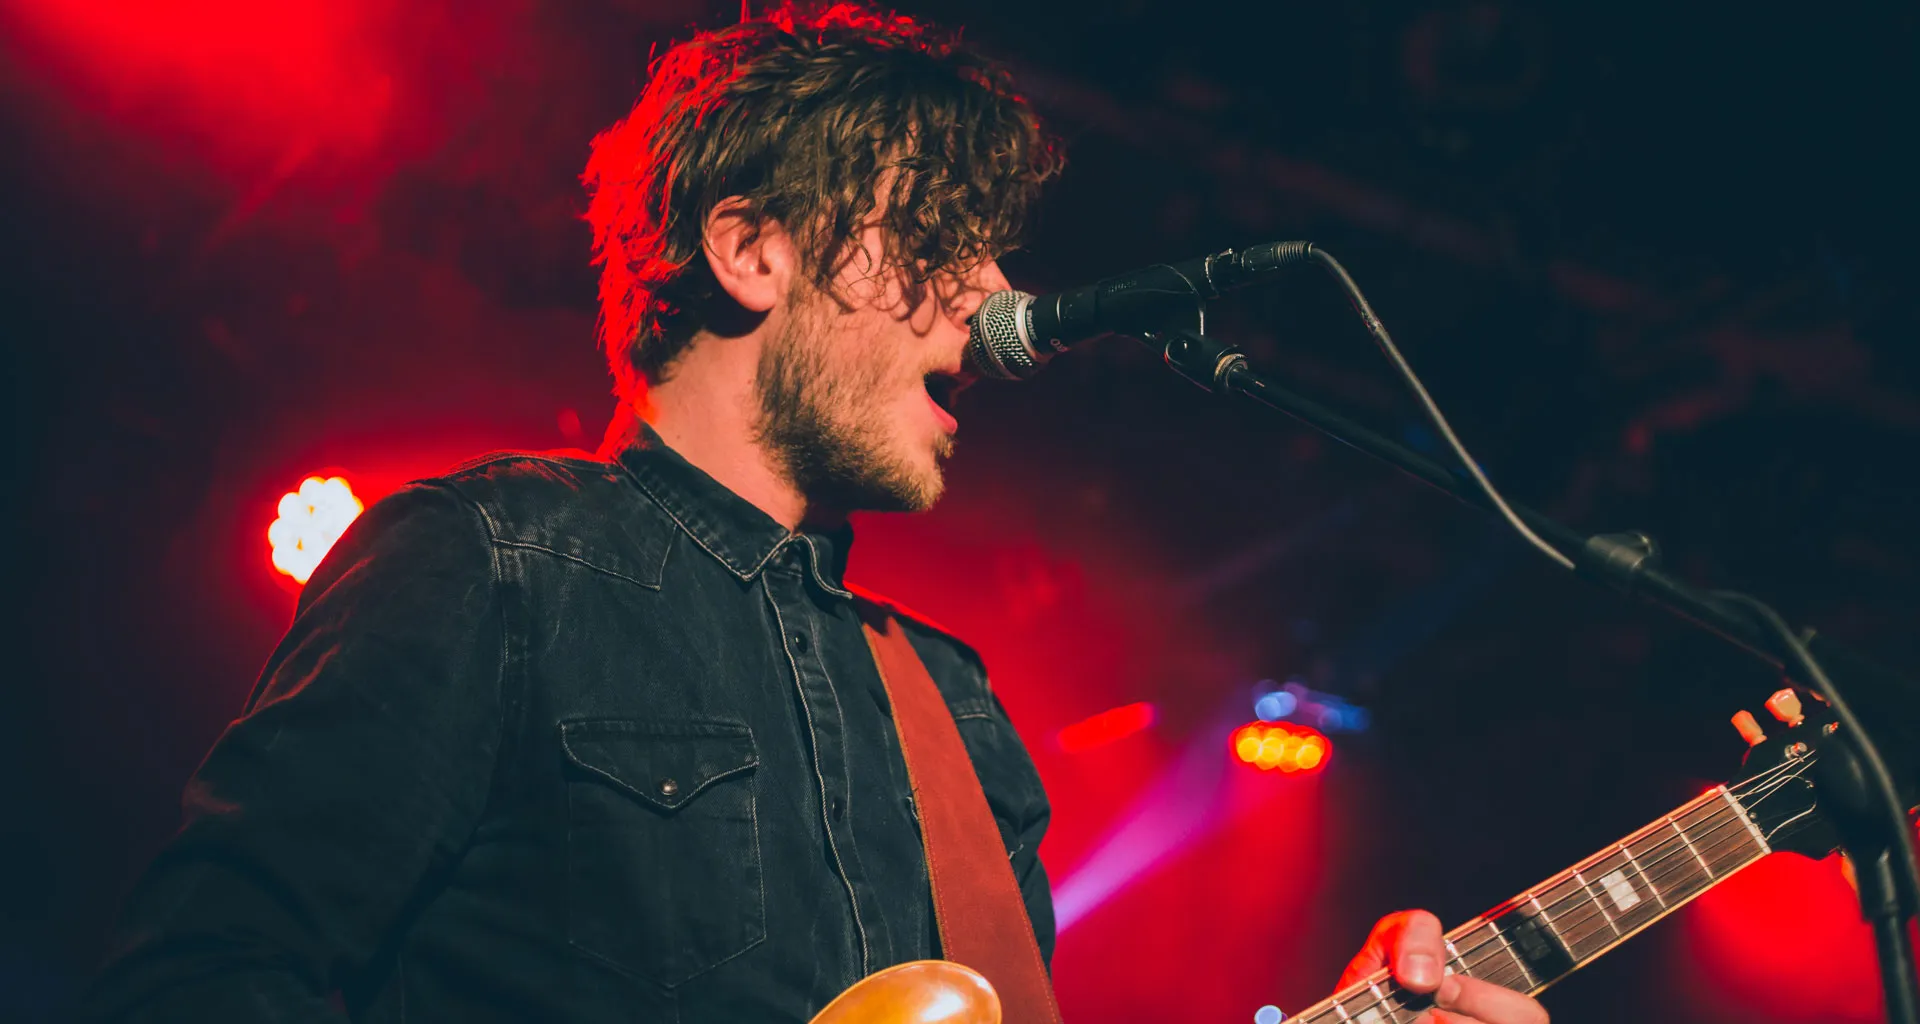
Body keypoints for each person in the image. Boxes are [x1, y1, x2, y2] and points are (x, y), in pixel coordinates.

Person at [82, 4, 1548, 1022]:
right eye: (937, 242)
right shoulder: (493, 561)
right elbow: (198, 980)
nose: (990, 299)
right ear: (751, 252)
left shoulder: (955, 709)